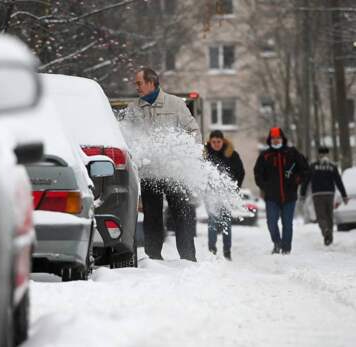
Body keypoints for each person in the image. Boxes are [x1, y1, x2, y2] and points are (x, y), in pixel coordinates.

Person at [121, 67, 201, 262]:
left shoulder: (175, 104)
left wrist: (187, 155)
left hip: (175, 172)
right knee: (152, 218)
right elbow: (125, 137)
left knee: (181, 215)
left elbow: (193, 131)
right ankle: (153, 258)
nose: (136, 86)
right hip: (149, 173)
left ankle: (188, 258)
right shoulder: (133, 109)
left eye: (139, 83)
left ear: (151, 83)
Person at [254, 127, 309, 255]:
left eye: (278, 138)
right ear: (270, 140)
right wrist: (265, 186)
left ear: (282, 139)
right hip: (272, 197)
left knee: (287, 224)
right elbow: (257, 174)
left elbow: (305, 170)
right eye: (273, 139)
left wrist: (296, 179)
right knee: (271, 222)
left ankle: (286, 248)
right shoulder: (265, 155)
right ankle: (277, 242)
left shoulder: (292, 153)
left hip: (289, 196)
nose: (276, 141)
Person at [204, 130, 245, 260]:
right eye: (214, 142)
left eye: (218, 141)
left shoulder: (232, 154)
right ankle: (212, 250)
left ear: (223, 141)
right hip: (211, 194)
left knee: (226, 222)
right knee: (212, 222)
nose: (216, 144)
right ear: (210, 142)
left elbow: (241, 172)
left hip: (226, 194)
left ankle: (227, 251)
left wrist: (235, 187)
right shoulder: (205, 154)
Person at [299, 146, 348, 246]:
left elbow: (306, 181)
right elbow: (338, 181)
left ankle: (325, 231)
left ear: (319, 155)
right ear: (327, 155)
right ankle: (329, 237)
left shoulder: (313, 166)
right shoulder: (332, 166)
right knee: (329, 215)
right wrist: (344, 195)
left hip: (317, 195)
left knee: (321, 216)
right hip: (330, 194)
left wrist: (302, 194)